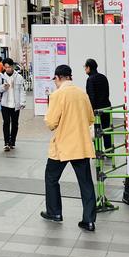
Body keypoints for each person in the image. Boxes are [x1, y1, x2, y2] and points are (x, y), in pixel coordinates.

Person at [42, 64, 97, 232]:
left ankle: (55, 212)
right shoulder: (82, 93)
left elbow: (51, 123)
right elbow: (90, 118)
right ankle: (88, 220)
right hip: (80, 145)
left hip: (62, 146)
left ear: (58, 78)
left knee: (51, 178)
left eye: (55, 80)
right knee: (86, 182)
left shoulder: (57, 95)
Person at [0, 58, 25, 151]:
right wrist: (3, 87)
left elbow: (22, 91)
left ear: (12, 66)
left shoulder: (18, 77)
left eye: (9, 67)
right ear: (4, 67)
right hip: (5, 104)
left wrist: (22, 102)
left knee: (15, 124)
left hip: (16, 105)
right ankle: (6, 143)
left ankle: (12, 142)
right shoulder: (1, 77)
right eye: (6, 67)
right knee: (6, 123)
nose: (8, 69)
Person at [84, 59, 112, 151]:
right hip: (106, 107)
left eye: (85, 67)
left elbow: (91, 97)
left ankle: (98, 151)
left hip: (96, 110)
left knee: (96, 131)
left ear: (88, 67)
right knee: (106, 130)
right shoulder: (103, 77)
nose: (84, 69)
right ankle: (109, 151)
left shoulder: (90, 79)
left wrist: (90, 111)